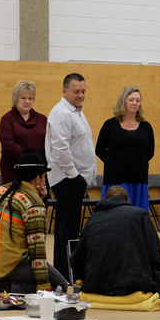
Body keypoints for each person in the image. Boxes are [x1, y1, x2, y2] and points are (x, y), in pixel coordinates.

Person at [70, 186, 160, 306]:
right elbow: (156, 255)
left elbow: (75, 260)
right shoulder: (140, 214)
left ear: (104, 199)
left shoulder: (92, 219)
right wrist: (159, 279)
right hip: (135, 284)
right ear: (128, 200)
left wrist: (89, 278)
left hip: (97, 286)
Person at [0, 153, 68, 294]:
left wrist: (38, 198)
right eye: (44, 177)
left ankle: (0, 281)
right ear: (38, 178)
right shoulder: (33, 204)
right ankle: (6, 287)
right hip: (13, 264)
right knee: (60, 287)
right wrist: (44, 287)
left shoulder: (2, 190)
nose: (45, 182)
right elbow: (38, 251)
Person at [45, 73, 97, 281]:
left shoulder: (76, 112)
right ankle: (63, 274)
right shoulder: (61, 113)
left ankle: (67, 271)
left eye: (83, 91)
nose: (81, 95)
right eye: (76, 91)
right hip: (67, 179)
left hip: (75, 178)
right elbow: (60, 147)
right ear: (64, 91)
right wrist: (74, 175)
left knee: (70, 229)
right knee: (66, 230)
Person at [96, 86, 154, 212]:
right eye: (131, 100)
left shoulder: (146, 127)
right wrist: (115, 162)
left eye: (138, 101)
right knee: (113, 213)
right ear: (123, 101)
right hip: (115, 178)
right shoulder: (109, 125)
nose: (135, 103)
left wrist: (134, 162)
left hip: (138, 178)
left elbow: (150, 152)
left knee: (138, 213)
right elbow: (99, 150)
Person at [0, 80, 48, 185]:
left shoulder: (42, 119)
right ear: (16, 99)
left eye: (30, 98)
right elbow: (8, 145)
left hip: (37, 172)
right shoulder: (7, 119)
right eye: (23, 98)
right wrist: (30, 157)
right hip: (14, 171)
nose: (27, 101)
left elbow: (49, 142)